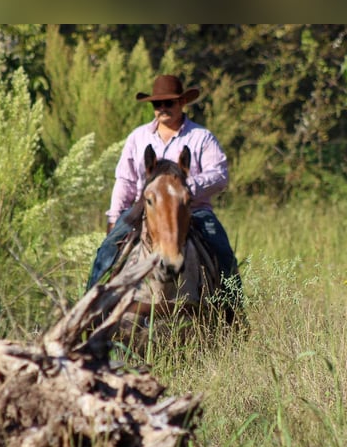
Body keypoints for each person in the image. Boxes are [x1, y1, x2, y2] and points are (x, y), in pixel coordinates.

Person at [86, 74, 242, 313]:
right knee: (107, 250)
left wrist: (185, 189)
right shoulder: (138, 137)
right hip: (144, 209)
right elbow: (125, 180)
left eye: (168, 103)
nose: (162, 108)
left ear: (181, 103)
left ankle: (233, 314)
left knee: (221, 250)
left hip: (193, 210)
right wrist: (114, 217)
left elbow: (219, 175)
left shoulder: (201, 137)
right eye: (157, 104)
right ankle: (91, 309)